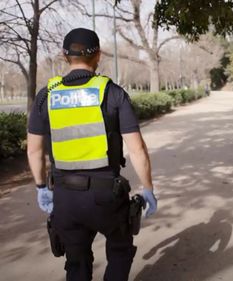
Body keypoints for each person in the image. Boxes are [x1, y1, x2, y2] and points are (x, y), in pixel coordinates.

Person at [27, 28, 158, 281]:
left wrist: (41, 186)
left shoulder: (46, 96)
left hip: (64, 197)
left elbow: (33, 150)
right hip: (106, 195)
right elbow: (137, 149)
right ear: (97, 55)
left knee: (76, 261)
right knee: (120, 251)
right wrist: (148, 188)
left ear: (65, 56)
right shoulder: (112, 93)